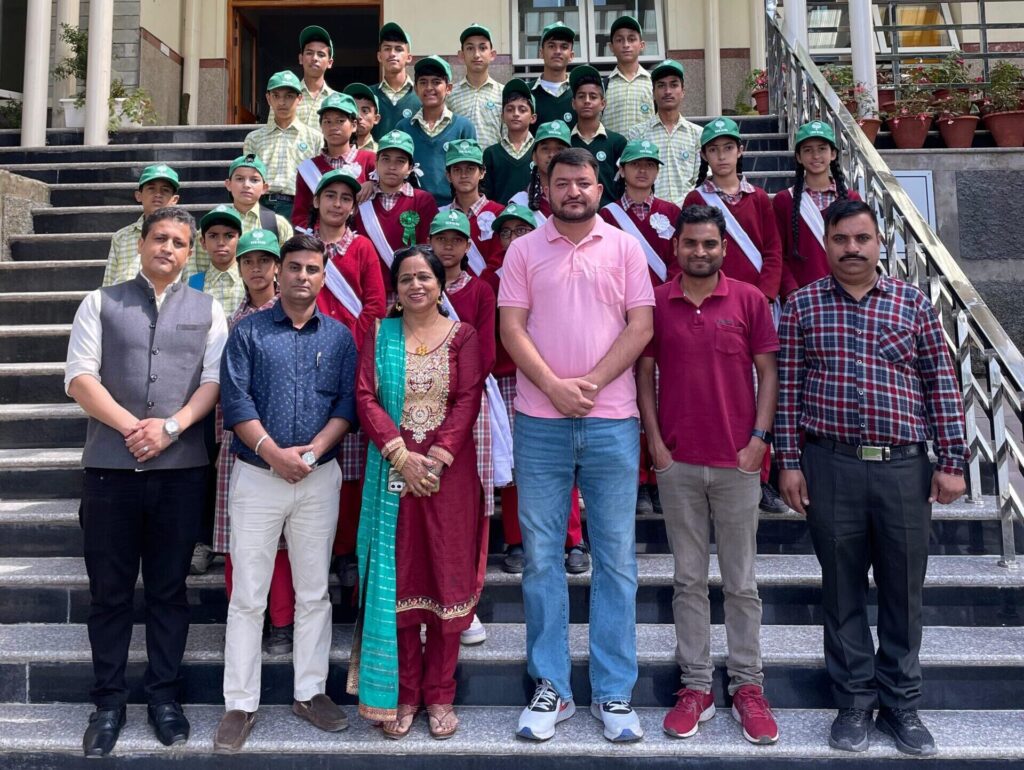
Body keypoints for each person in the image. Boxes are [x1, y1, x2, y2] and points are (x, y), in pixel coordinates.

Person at [776, 200, 968, 757]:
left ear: (879, 243)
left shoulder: (912, 303)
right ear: (827, 244)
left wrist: (952, 461)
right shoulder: (803, 305)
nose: (852, 248)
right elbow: (787, 390)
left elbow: (941, 383)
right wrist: (788, 461)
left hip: (904, 468)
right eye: (841, 239)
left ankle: (902, 704)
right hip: (830, 465)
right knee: (841, 590)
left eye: (862, 238)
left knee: (903, 589)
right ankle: (854, 703)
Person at [498, 148, 654, 743]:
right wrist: (554, 388)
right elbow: (511, 328)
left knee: (616, 558)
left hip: (612, 421)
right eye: (561, 182)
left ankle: (613, 690)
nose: (573, 192)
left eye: (583, 182)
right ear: (545, 188)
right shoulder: (522, 251)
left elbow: (641, 326)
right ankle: (552, 687)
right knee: (542, 558)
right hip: (540, 422)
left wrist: (588, 384)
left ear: (599, 188)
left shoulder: (624, 248)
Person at [66, 206, 228, 758]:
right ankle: (108, 704)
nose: (168, 249)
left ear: (190, 252)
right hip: (110, 472)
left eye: (179, 242)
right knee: (109, 594)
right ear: (140, 243)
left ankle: (164, 697)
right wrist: (133, 428)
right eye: (160, 238)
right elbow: (79, 377)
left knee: (168, 591)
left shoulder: (208, 309)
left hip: (180, 475)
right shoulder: (99, 302)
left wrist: (171, 428)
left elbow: (213, 382)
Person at [637, 204, 780, 746]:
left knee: (741, 583)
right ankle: (696, 686)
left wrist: (758, 441)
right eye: (691, 243)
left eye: (709, 244)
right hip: (677, 463)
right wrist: (655, 444)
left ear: (724, 247)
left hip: (737, 463)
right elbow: (644, 372)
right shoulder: (656, 301)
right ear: (676, 247)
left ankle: (747, 686)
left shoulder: (748, 300)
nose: (700, 251)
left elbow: (767, 371)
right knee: (688, 580)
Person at [215, 234, 358, 753]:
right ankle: (239, 703)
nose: (302, 276)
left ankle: (310, 693)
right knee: (248, 595)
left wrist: (312, 454)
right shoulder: (248, 332)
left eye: (312, 269)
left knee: (314, 591)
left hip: (317, 479)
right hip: (258, 476)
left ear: (323, 275)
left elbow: (346, 405)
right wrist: (275, 454)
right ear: (279, 272)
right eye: (294, 267)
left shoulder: (340, 337)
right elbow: (236, 401)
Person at [349, 245, 485, 740]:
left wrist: (438, 457)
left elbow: (468, 398)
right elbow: (365, 396)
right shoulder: (379, 334)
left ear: (441, 284)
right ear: (396, 289)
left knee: (446, 580)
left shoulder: (463, 336)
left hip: (450, 477)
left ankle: (441, 693)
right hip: (393, 472)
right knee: (400, 580)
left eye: (424, 276)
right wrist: (401, 455)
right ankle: (405, 693)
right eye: (406, 278)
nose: (416, 285)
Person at [684, 117, 786, 514]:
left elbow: (773, 250)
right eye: (714, 149)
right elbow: (692, 253)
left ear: (740, 151)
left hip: (756, 306)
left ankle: (763, 476)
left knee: (763, 388)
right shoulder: (696, 199)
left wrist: (763, 295)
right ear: (704, 155)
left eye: (728, 148)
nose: (722, 156)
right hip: (713, 306)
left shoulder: (759, 198)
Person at [479, 203, 588, 575]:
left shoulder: (554, 267)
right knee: (515, 462)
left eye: (521, 231)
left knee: (561, 459)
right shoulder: (490, 278)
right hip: (508, 377)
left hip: (552, 374)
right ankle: (517, 539)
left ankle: (573, 539)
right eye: (506, 232)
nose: (513, 239)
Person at [210, 229, 295, 657]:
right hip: (241, 442)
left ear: (277, 266)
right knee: (240, 539)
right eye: (249, 261)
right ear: (238, 267)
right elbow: (226, 390)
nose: (257, 269)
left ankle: (281, 620)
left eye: (264, 260)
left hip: (287, 441)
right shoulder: (231, 321)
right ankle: (247, 618)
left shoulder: (292, 313)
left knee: (282, 541)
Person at [307, 169, 387, 587]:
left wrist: (347, 346)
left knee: (351, 466)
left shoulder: (363, 248)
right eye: (330, 196)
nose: (337, 204)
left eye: (345, 198)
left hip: (352, 361)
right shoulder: (303, 247)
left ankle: (346, 549)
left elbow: (375, 305)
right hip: (307, 361)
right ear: (316, 201)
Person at [429, 209, 501, 646]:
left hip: (469, 403)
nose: (448, 246)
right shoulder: (418, 285)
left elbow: (487, 352)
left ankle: (466, 602)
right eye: (441, 238)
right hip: (418, 405)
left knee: (469, 505)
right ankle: (424, 600)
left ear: (469, 244)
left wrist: (452, 386)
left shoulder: (480, 290)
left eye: (457, 239)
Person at [599, 139, 681, 516]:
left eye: (650, 164)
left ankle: (662, 475)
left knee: (662, 395)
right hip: (621, 318)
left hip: (662, 313)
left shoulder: (672, 212)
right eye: (635, 164)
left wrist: (664, 300)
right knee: (628, 396)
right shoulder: (606, 215)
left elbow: (678, 261)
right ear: (622, 170)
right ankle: (638, 480)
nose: (642, 170)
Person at [773, 120, 859, 297]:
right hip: (801, 297)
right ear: (798, 157)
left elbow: (860, 247)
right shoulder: (784, 200)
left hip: (846, 293)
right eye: (807, 150)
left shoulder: (851, 199)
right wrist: (791, 291)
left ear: (833, 154)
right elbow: (777, 253)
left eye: (822, 149)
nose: (815, 155)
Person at [352, 129, 438, 299]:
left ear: (410, 168)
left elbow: (428, 249)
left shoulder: (423, 201)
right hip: (365, 290)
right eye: (386, 159)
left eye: (400, 161)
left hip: (409, 291)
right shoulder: (362, 198)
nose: (392, 167)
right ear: (376, 163)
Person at [187, 154, 294, 279]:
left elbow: (286, 268)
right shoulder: (213, 223)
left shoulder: (277, 224)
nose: (246, 185)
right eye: (239, 179)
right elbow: (197, 270)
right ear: (228, 184)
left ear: (264, 188)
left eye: (254, 180)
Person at [395, 55, 477, 207]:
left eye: (436, 82)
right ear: (416, 88)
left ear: (448, 88)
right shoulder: (403, 127)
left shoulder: (464, 127)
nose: (429, 88)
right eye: (423, 82)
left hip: (453, 209)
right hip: (412, 207)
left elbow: (473, 172)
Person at [242, 70, 323, 220]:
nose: (282, 102)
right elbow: (247, 177)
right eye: (276, 96)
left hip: (300, 206)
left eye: (289, 96)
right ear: (268, 98)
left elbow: (319, 180)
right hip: (262, 206)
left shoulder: (315, 138)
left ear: (299, 98)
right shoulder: (254, 138)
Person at [291, 92, 377, 229]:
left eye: (340, 121)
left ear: (354, 125)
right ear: (321, 126)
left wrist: (375, 184)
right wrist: (320, 234)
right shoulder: (308, 168)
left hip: (364, 238)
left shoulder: (371, 160)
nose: (333, 127)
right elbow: (300, 215)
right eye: (327, 121)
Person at [626, 59, 701, 205]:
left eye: (674, 85)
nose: (667, 91)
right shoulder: (637, 134)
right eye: (661, 85)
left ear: (683, 92)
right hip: (650, 212)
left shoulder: (697, 134)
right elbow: (632, 178)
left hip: (688, 212)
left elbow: (701, 178)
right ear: (653, 93)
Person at [102, 164, 180, 286]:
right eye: (151, 189)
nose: (158, 194)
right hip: (125, 297)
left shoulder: (184, 238)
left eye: (165, 190)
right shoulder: (122, 237)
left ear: (174, 200)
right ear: (139, 196)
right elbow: (109, 282)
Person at [442, 138, 505, 272]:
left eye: (470, 169)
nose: (464, 175)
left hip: (489, 285)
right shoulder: (440, 215)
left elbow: (500, 260)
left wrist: (479, 285)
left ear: (482, 173)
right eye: (457, 169)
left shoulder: (499, 213)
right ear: (448, 176)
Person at [569, 65, 626, 207]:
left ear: (603, 104)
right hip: (574, 213)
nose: (587, 101)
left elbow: (624, 184)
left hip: (609, 215)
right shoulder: (566, 142)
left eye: (593, 96)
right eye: (581, 96)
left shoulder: (617, 142)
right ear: (573, 103)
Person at [448, 23, 504, 149]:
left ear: (492, 55)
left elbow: (507, 137)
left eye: (482, 48)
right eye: (470, 48)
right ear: (461, 55)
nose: (476, 54)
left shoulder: (503, 93)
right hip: (460, 160)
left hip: (492, 161)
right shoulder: (450, 94)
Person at [482, 79, 537, 205]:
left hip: (534, 215)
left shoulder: (540, 150)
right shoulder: (491, 153)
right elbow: (487, 195)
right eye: (510, 109)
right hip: (500, 215)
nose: (516, 114)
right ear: (502, 116)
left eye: (522, 110)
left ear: (533, 118)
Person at [602, 15, 654, 137]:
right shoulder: (603, 86)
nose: (626, 45)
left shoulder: (653, 83)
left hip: (645, 148)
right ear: (611, 47)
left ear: (642, 45)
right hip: (614, 150)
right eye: (619, 40)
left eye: (631, 39)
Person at [189, 204, 246, 314]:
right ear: (203, 242)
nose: (221, 243)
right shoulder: (193, 285)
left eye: (229, 236)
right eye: (213, 236)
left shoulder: (251, 281)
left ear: (239, 241)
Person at [370, 22, 421, 140]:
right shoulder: (368, 95)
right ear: (379, 56)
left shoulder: (422, 95)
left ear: (409, 57)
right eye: (387, 49)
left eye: (398, 49)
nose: (392, 54)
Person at [514, 119, 571, 222]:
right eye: (545, 149)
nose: (552, 155)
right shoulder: (520, 202)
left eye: (559, 149)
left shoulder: (578, 197)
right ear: (534, 156)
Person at [531, 21, 577, 130]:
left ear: (571, 56)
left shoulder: (580, 94)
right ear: (541, 53)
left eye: (564, 47)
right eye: (551, 46)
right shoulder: (526, 93)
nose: (557, 51)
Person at [295, 25, 335, 128]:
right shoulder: (285, 97)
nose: (314, 58)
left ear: (330, 63)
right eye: (309, 53)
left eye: (321, 55)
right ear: (301, 58)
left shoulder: (336, 100)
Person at [343, 82, 381, 153]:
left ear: (376, 119)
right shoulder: (333, 151)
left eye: (365, 111)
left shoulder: (381, 153)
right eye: (353, 110)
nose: (358, 116)